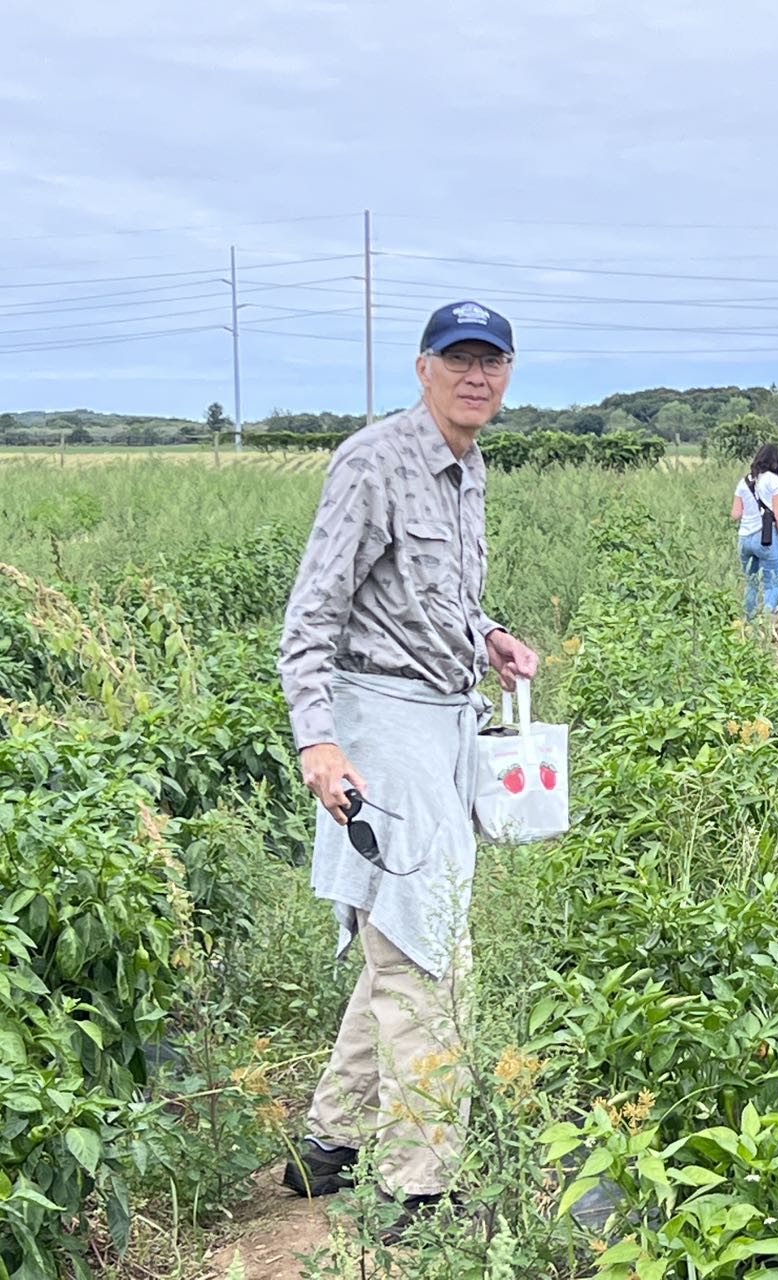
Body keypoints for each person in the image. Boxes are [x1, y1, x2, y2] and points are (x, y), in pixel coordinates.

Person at [277, 301, 540, 1232]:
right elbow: (310, 619)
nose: (478, 376)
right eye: (458, 359)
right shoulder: (374, 460)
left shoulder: (469, 467)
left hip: (443, 720)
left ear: (508, 373)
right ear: (423, 367)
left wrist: (489, 634)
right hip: (378, 722)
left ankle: (331, 1143)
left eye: (493, 361)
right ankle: (418, 1181)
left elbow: (439, 598)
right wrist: (319, 741)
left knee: (404, 931)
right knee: (430, 952)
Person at [730, 442, 778, 619]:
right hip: (766, 538)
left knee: (751, 584)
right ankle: (766, 624)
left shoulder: (744, 481)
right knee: (771, 584)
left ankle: (749, 623)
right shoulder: (775, 481)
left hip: (744, 538)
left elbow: (735, 514)